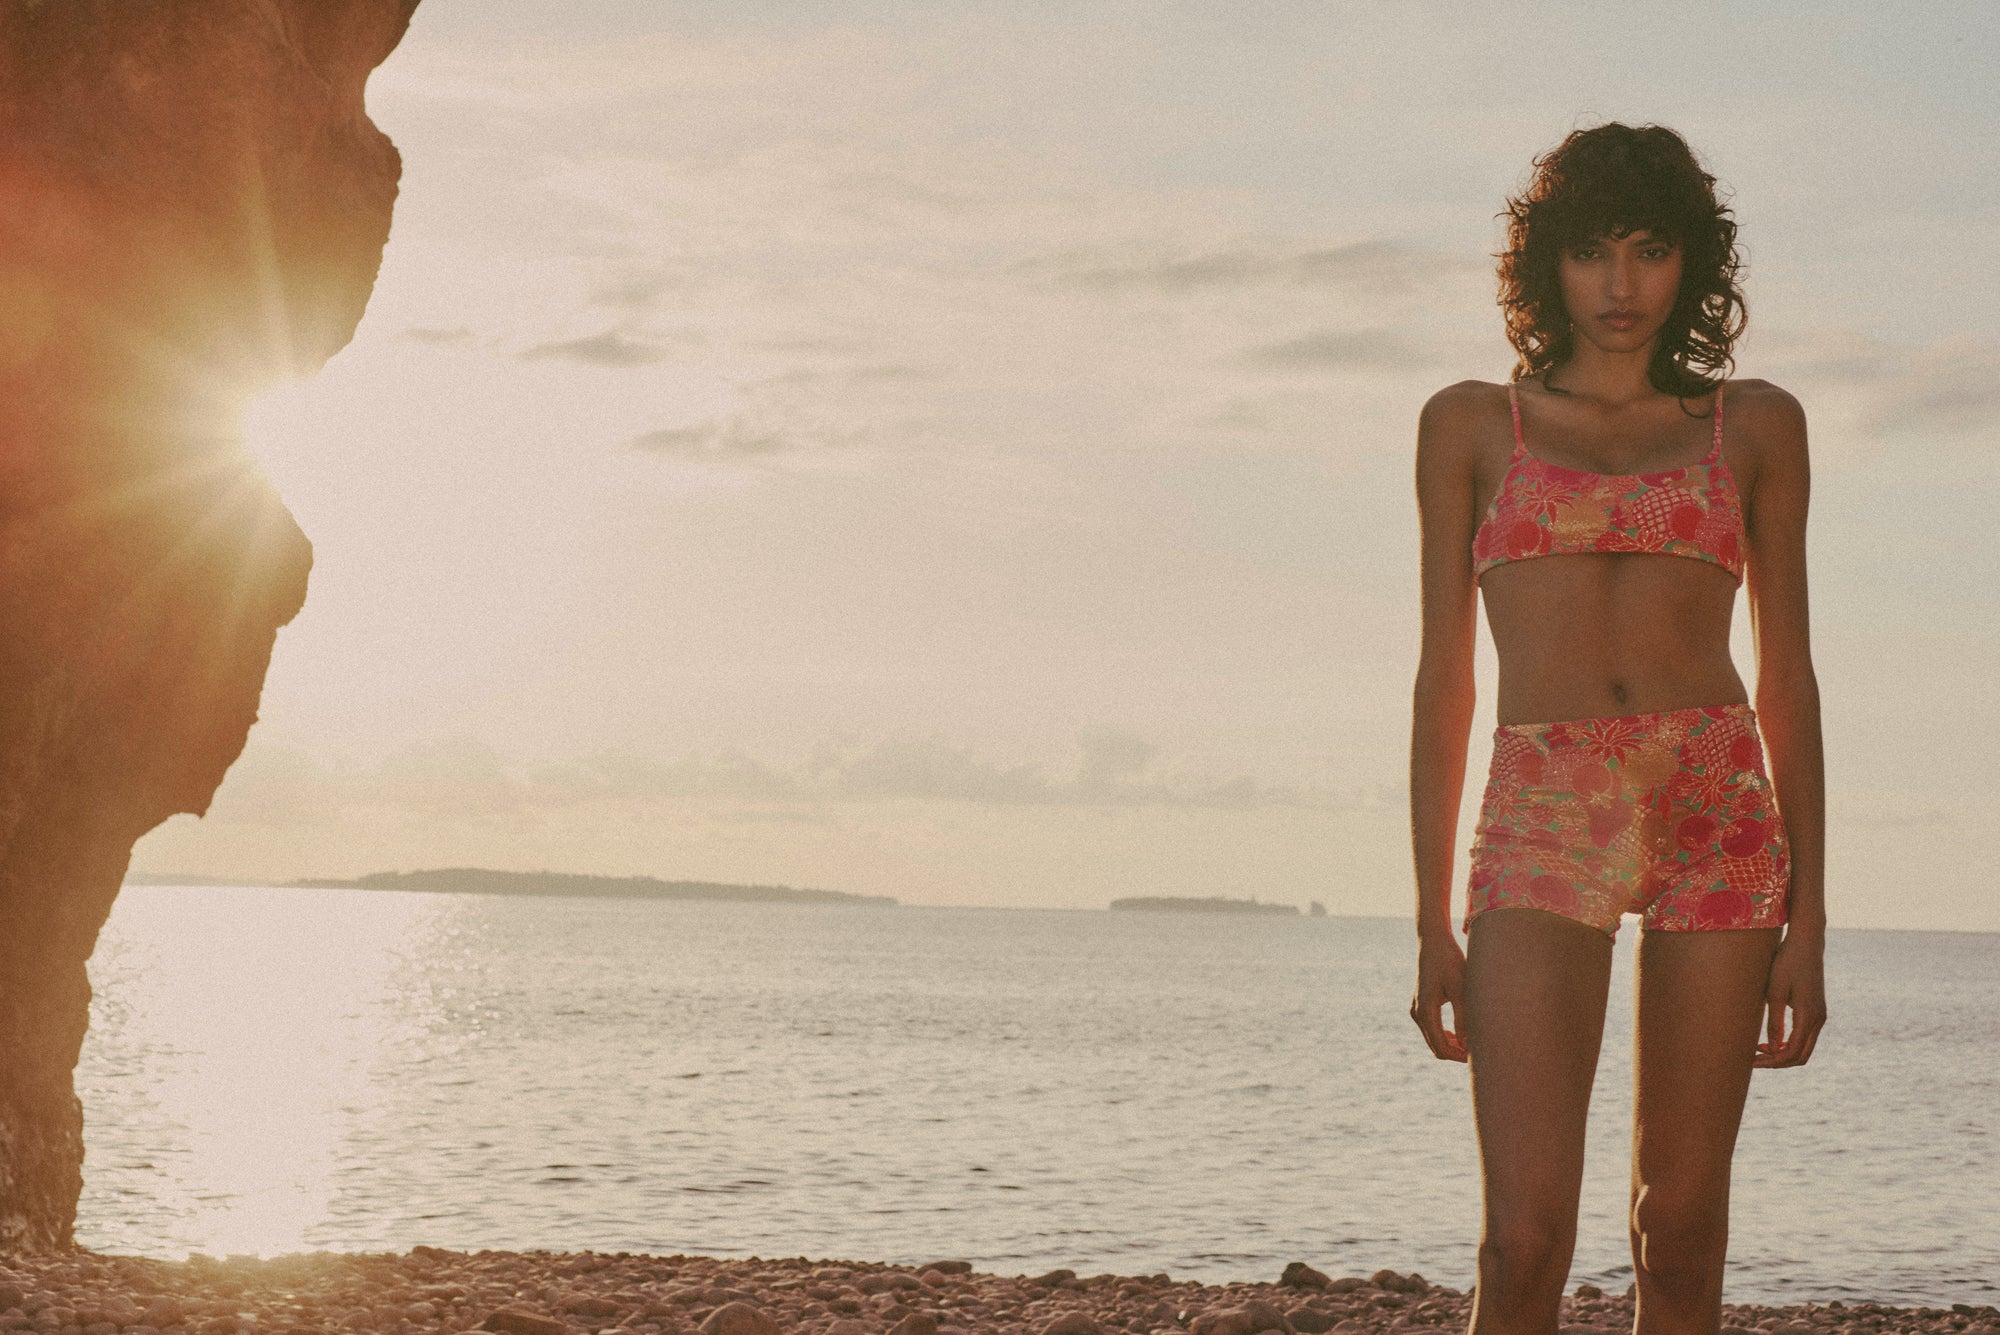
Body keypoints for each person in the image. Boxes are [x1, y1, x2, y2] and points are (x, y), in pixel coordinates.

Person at [1405, 123, 1828, 1335]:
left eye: (1650, 251)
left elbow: (1786, 674)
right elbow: (1444, 679)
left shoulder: (1751, 426)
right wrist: (1431, 915)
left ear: (1692, 263)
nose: (1620, 285)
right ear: (1545, 266)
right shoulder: (1470, 426)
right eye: (1591, 252)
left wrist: (1808, 917)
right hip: (1544, 807)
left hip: (1719, 815)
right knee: (1520, 1240)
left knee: (1680, 1233)